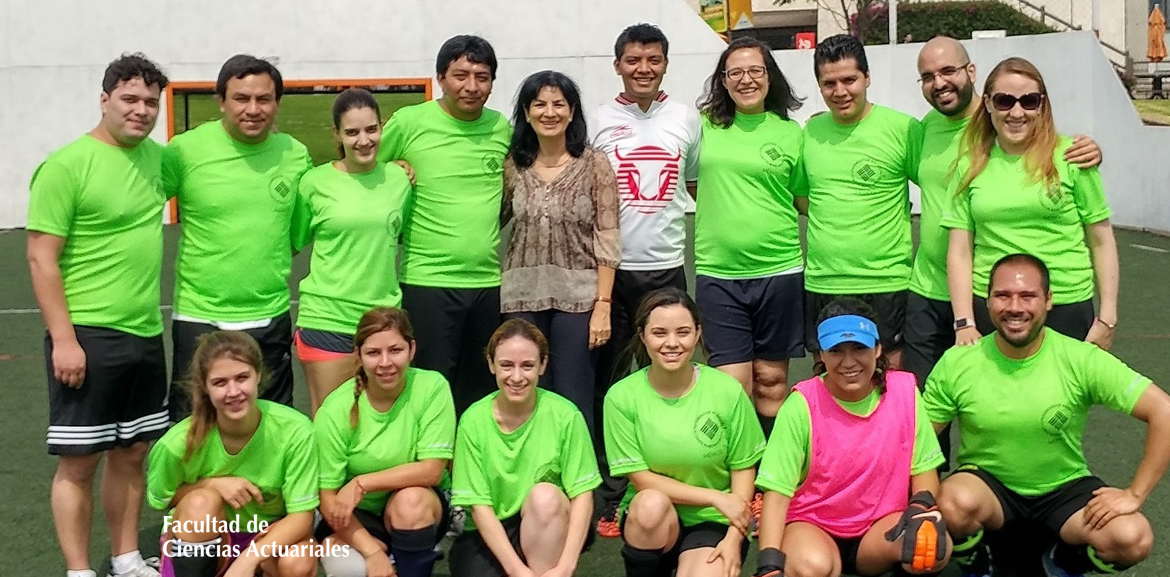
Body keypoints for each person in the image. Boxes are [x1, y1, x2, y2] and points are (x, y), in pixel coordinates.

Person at [904, 36, 1102, 468]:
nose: (940, 83)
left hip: (1009, 298)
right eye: (928, 76)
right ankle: (933, 508)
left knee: (1023, 410)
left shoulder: (1029, 135)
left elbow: (1100, 232)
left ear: (972, 75)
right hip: (938, 293)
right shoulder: (921, 133)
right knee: (931, 412)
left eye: (949, 71)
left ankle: (1037, 503)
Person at [925, 254, 1170, 577]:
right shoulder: (959, 362)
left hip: (1063, 490)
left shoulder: (1080, 358)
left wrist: (1134, 494)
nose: (1014, 307)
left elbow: (1163, 409)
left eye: (1028, 296)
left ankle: (1062, 563)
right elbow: (920, 440)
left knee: (1132, 538)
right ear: (987, 301)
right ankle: (978, 564)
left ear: (1048, 300)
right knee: (950, 502)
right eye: (1002, 295)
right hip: (989, 490)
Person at [27, 53, 170, 577]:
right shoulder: (66, 165)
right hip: (86, 334)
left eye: (150, 103)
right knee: (80, 460)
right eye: (130, 99)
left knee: (133, 452)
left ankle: (126, 557)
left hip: (145, 333)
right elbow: (41, 256)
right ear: (104, 98)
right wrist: (65, 339)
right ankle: (78, 569)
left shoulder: (158, 160)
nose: (140, 110)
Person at [588, 21, 701, 538]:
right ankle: (610, 492)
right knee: (610, 385)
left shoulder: (685, 118)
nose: (643, 69)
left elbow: (693, 179)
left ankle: (666, 479)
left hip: (667, 269)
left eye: (653, 59)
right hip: (610, 273)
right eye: (633, 60)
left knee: (669, 378)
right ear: (618, 65)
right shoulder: (597, 121)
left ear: (665, 64)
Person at [163, 54, 313, 420]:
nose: (253, 109)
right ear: (221, 101)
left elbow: (294, 235)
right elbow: (139, 200)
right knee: (193, 428)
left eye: (264, 99)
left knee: (271, 427)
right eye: (241, 98)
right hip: (200, 316)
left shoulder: (295, 155)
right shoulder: (185, 151)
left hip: (269, 315)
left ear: (277, 103)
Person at [753, 299, 949, 577]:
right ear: (821, 354)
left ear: (878, 348)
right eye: (835, 351)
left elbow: (924, 468)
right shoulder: (801, 403)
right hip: (813, 526)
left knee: (928, 543)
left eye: (859, 348)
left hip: (879, 530)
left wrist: (921, 509)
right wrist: (769, 563)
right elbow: (776, 491)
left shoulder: (905, 390)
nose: (848, 362)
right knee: (812, 566)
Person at [377, 35, 512, 417]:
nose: (471, 86)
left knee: (481, 389)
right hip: (427, 281)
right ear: (440, 78)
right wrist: (392, 167)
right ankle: (427, 472)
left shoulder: (500, 128)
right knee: (431, 388)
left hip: (487, 284)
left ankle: (469, 469)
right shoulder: (409, 122)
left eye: (482, 77)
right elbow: (363, 166)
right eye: (461, 75)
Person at [944, 57, 1119, 350]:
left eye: (1028, 101)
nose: (1016, 112)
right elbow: (959, 251)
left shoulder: (1073, 157)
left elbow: (1101, 241)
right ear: (987, 103)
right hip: (995, 309)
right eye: (1004, 101)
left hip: (1066, 304)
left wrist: (1107, 317)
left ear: (1042, 104)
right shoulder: (969, 165)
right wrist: (964, 321)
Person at [604, 288, 766, 577]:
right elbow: (641, 479)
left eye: (682, 332)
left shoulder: (727, 391)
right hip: (657, 518)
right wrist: (715, 496)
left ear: (698, 333)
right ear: (642, 336)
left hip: (713, 520)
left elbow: (743, 468)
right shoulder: (621, 397)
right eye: (659, 333)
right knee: (650, 504)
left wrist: (733, 538)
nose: (672, 343)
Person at [693, 36, 806, 441]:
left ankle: (768, 481)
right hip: (718, 274)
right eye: (735, 72)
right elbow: (692, 182)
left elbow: (802, 199)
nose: (746, 80)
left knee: (772, 382)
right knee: (732, 387)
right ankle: (736, 479)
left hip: (780, 272)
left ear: (769, 76)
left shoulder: (792, 134)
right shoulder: (704, 127)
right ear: (722, 81)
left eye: (755, 70)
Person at [501, 70, 621, 437]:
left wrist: (603, 304)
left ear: (572, 112)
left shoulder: (594, 163)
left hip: (579, 299)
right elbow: (491, 218)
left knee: (573, 394)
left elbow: (608, 234)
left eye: (559, 104)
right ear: (526, 111)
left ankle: (579, 485)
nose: (549, 112)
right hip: (521, 296)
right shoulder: (512, 166)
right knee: (524, 391)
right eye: (540, 104)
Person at [146, 331, 319, 577]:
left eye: (242, 377)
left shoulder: (296, 431)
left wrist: (247, 561)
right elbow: (162, 499)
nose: (233, 391)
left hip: (268, 537)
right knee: (199, 504)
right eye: (220, 382)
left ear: (258, 375)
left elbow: (302, 517)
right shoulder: (176, 444)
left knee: (298, 561)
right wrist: (212, 485)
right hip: (210, 536)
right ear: (204, 387)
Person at [801, 34, 922, 368]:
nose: (840, 91)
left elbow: (939, 179)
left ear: (867, 78)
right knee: (829, 376)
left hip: (887, 281)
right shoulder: (809, 133)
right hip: (824, 281)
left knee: (890, 377)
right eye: (829, 83)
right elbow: (802, 197)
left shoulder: (902, 129)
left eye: (849, 80)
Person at [291, 89, 413, 416]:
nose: (363, 140)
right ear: (337, 134)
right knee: (330, 421)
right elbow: (294, 240)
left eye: (371, 130)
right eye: (352, 132)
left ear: (382, 128)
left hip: (382, 322)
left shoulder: (400, 179)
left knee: (379, 423)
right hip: (327, 319)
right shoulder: (313, 183)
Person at [448, 319, 600, 577]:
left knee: (545, 497)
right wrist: (517, 570)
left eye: (527, 365)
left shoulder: (566, 415)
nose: (516, 377)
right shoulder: (472, 420)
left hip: (547, 522)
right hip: (491, 530)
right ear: (491, 364)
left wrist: (566, 567)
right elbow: (479, 506)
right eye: (506, 365)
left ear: (543, 365)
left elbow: (583, 494)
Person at [313, 307, 456, 577]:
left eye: (395, 350)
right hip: (357, 515)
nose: (385, 362)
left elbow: (432, 470)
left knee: (410, 503)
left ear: (412, 349)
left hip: (417, 507)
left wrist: (362, 482)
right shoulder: (334, 409)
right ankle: (384, 557)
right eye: (373, 353)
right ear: (358, 356)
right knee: (343, 561)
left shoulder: (432, 387)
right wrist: (372, 552)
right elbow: (328, 499)